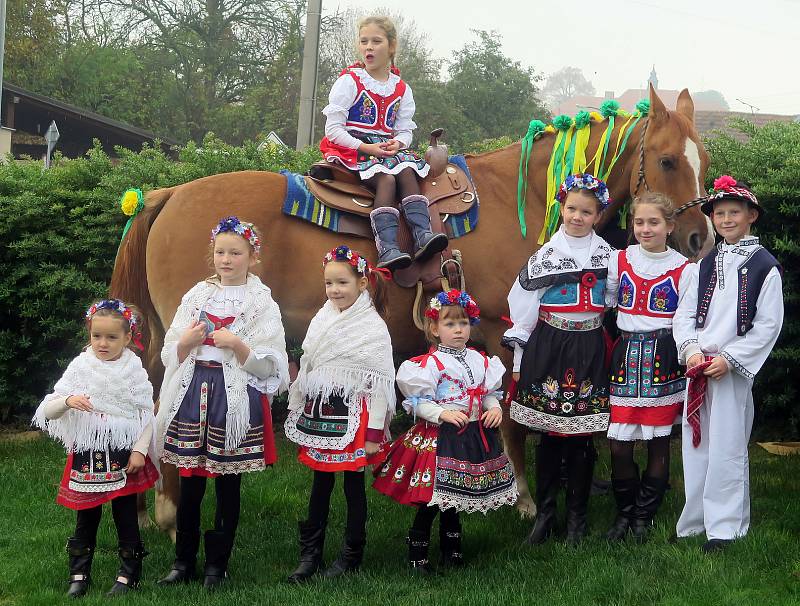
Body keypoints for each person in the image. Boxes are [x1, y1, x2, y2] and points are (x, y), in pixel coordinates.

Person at [156, 216, 289, 588]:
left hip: (233, 399)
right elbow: (171, 349)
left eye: (235, 253)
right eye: (220, 252)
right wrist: (187, 342)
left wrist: (238, 345)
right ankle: (183, 561)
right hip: (193, 392)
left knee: (227, 484)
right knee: (191, 480)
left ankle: (218, 563)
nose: (226, 259)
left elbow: (270, 364)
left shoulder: (261, 301)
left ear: (252, 256)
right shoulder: (197, 295)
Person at [673, 176, 783, 552]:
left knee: (727, 447)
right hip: (698, 368)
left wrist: (729, 360)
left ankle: (725, 527)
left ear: (751, 215)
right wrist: (690, 350)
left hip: (730, 372)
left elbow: (768, 325)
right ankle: (696, 519)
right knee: (696, 445)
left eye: (734, 212)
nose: (726, 219)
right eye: (719, 213)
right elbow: (684, 314)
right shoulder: (702, 266)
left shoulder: (764, 266)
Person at [503, 173, 614, 545]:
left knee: (582, 436)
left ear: (598, 215)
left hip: (589, 346)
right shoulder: (545, 256)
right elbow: (523, 306)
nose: (577, 217)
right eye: (572, 209)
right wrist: (520, 355)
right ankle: (547, 515)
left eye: (587, 211)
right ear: (561, 209)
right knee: (549, 434)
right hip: (550, 345)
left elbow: (613, 299)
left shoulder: (608, 257)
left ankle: (577, 521)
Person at [374, 290, 517, 573]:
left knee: (455, 496)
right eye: (450, 324)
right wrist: (441, 413)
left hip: (472, 434)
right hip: (441, 438)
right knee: (433, 499)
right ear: (434, 328)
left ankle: (452, 549)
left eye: (463, 323)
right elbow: (417, 403)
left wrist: (494, 407)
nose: (458, 329)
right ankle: (418, 552)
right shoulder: (428, 365)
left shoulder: (480, 360)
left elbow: (487, 392)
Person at [284, 245, 396, 582]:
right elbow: (310, 360)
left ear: (362, 283)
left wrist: (375, 433)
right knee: (320, 484)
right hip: (322, 413)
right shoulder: (323, 317)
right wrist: (300, 400)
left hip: (354, 416)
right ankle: (311, 554)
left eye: (342, 283)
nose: (335, 290)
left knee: (352, 486)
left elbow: (380, 382)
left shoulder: (372, 327)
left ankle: (351, 553)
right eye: (329, 283)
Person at [33, 299, 159, 597]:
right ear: (89, 334)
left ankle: (128, 574)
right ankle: (79, 573)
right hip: (87, 455)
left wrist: (140, 450)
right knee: (86, 515)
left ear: (128, 338)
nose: (103, 343)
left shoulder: (134, 371)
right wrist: (67, 402)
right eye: (97, 336)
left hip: (123, 454)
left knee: (125, 514)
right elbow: (48, 410)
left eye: (112, 337)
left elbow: (145, 415)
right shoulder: (81, 366)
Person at [319, 15, 447, 271]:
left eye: (376, 41)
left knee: (408, 170)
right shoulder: (349, 81)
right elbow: (333, 129)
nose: (368, 47)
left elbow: (404, 130)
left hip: (386, 150)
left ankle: (423, 234)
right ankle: (387, 247)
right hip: (353, 147)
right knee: (387, 179)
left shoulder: (401, 88)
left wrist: (398, 144)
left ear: (391, 46)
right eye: (364, 41)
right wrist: (366, 147)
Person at [604, 192, 692, 542]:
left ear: (669, 226)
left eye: (653, 222)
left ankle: (644, 515)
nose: (645, 228)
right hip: (625, 357)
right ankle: (625, 512)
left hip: (663, 357)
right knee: (619, 444)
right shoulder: (620, 260)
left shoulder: (685, 270)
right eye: (639, 222)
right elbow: (609, 303)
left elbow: (686, 320)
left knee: (658, 441)